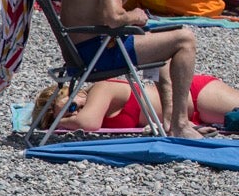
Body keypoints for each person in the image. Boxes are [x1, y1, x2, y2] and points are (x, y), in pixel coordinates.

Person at [59, 0, 201, 138]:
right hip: (97, 53)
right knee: (184, 39)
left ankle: (168, 118)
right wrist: (136, 15)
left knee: (165, 40)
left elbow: (99, 10)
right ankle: (180, 124)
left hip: (78, 48)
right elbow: (114, 18)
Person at [33, 74, 238, 132]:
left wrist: (61, 122)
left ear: (73, 91)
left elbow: (88, 123)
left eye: (71, 106)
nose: (76, 111)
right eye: (69, 114)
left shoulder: (102, 88)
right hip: (189, 116)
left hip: (193, 96)